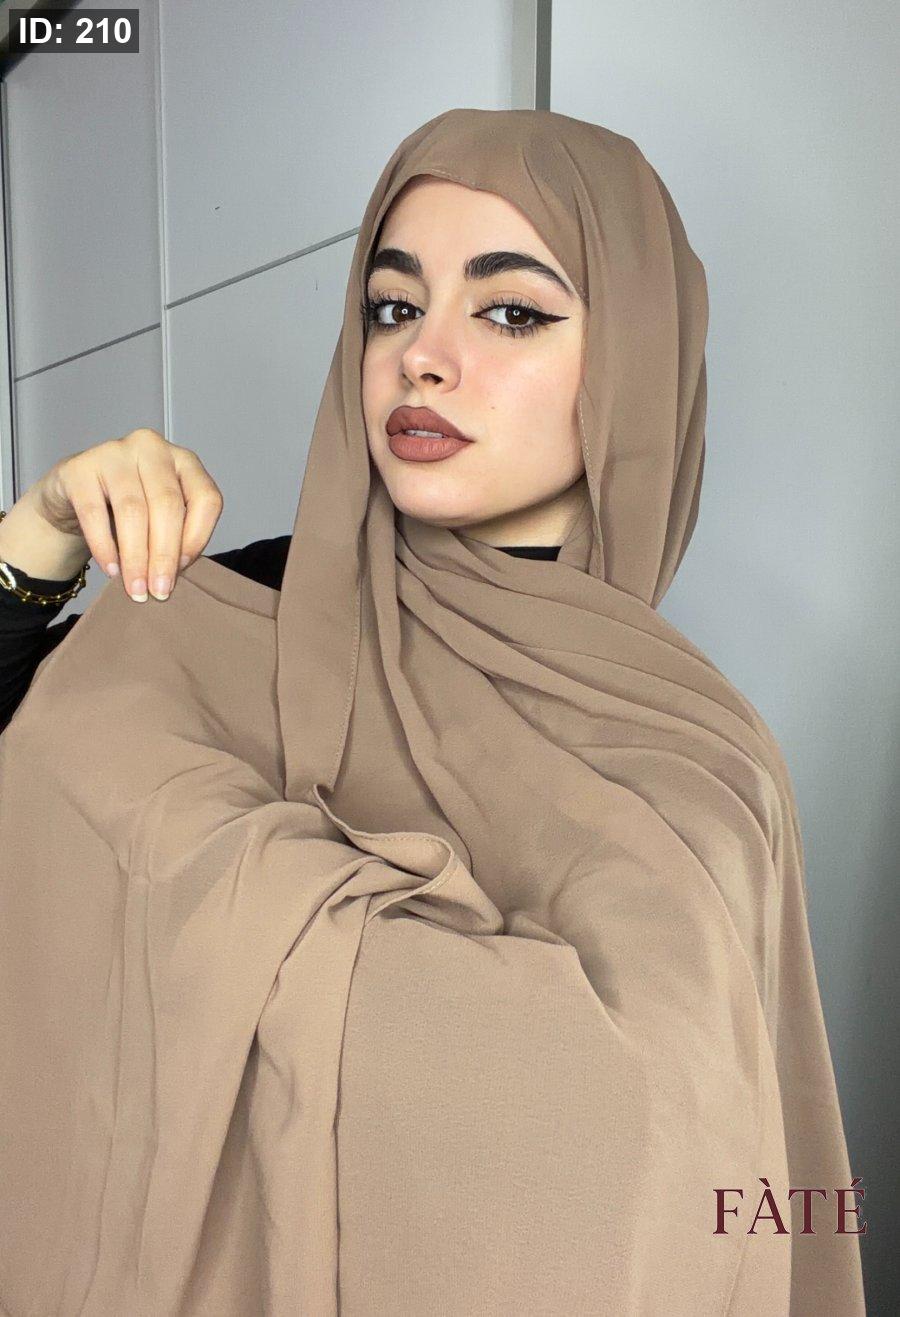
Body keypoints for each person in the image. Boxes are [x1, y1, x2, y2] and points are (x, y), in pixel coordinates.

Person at [0, 108, 866, 1315]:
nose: (423, 357)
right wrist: (34, 544)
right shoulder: (236, 609)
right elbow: (35, 791)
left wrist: (239, 881)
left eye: (511, 313)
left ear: (634, 359)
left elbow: (673, 1168)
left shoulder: (695, 748)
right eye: (393, 306)